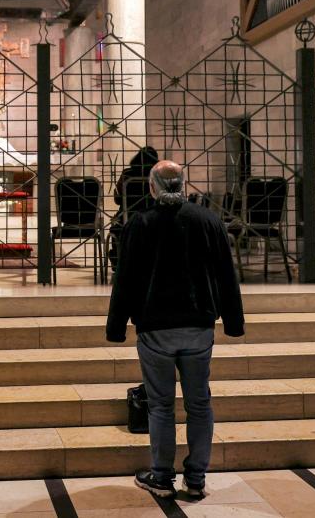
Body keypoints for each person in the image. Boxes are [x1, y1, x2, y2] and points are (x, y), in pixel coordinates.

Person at [106, 160, 244, 499]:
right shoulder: (208, 221)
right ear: (184, 184)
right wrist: (234, 321)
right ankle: (196, 479)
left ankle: (162, 476)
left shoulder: (140, 223)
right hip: (197, 326)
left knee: (160, 405)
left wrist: (116, 326)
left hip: (155, 329)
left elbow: (125, 279)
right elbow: (227, 274)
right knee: (199, 403)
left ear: (152, 187)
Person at [108, 146, 159, 270]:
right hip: (155, 217)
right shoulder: (158, 175)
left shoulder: (127, 174)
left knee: (115, 229)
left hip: (128, 218)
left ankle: (118, 260)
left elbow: (118, 199)